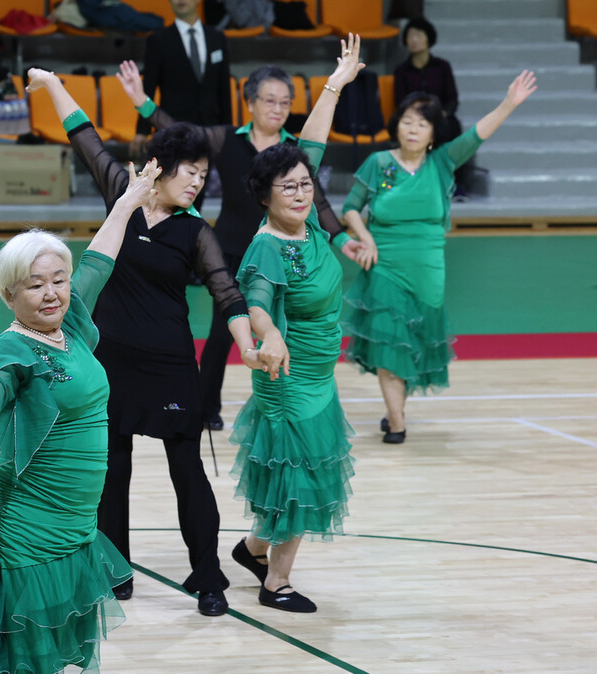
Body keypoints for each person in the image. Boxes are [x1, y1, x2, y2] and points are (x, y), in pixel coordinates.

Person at [26, 66, 269, 617]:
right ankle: (116, 570)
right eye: (190, 172)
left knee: (188, 473)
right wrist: (50, 83)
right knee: (111, 470)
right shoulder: (123, 196)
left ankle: (208, 578)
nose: (198, 183)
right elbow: (83, 136)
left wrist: (246, 345)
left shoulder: (195, 232)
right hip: (108, 362)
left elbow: (226, 293)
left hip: (169, 365)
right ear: (158, 168)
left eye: (204, 176)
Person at [0, 161, 161, 673]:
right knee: (22, 653)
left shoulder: (69, 320)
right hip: (28, 523)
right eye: (34, 286)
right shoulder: (13, 346)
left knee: (50, 649)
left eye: (57, 281)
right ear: (9, 294)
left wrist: (127, 202)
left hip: (75, 523)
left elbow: (99, 260)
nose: (51, 293)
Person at [117, 59, 371, 431]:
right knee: (223, 335)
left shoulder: (292, 153)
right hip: (235, 251)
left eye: (285, 103)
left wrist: (344, 238)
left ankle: (288, 387)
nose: (277, 109)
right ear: (250, 102)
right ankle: (206, 407)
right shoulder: (228, 139)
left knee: (285, 326)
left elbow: (317, 206)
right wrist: (141, 101)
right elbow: (180, 133)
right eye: (270, 101)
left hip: (288, 259)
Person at [228, 35, 364, 613]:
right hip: (287, 379)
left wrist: (334, 82)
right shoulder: (266, 247)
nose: (302, 190)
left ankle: (253, 549)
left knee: (300, 477)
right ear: (265, 197)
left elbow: (311, 143)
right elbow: (254, 301)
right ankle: (275, 583)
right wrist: (271, 332)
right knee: (300, 482)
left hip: (316, 375)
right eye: (289, 187)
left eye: (306, 184)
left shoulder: (306, 228)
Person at [341, 71, 537, 443]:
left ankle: (394, 409)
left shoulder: (443, 162)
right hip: (384, 265)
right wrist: (365, 237)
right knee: (387, 344)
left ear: (433, 134)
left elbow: (477, 134)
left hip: (428, 269)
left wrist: (509, 103)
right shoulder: (379, 163)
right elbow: (351, 208)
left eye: (423, 124)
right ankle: (397, 424)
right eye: (408, 122)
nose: (413, 129)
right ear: (397, 126)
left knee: (411, 345)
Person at [132, 0, 232, 162]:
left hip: (211, 126)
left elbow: (224, 90)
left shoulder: (217, 38)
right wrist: (142, 130)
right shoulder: (158, 40)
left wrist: (228, 130)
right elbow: (148, 87)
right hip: (172, 127)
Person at [393, 16, 471, 199]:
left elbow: (452, 98)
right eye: (410, 36)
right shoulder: (401, 71)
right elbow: (400, 101)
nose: (413, 40)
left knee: (454, 129)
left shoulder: (442, 67)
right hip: (414, 118)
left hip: (440, 117)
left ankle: (455, 184)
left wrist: (441, 114)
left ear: (429, 39)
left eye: (418, 35)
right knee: (407, 130)